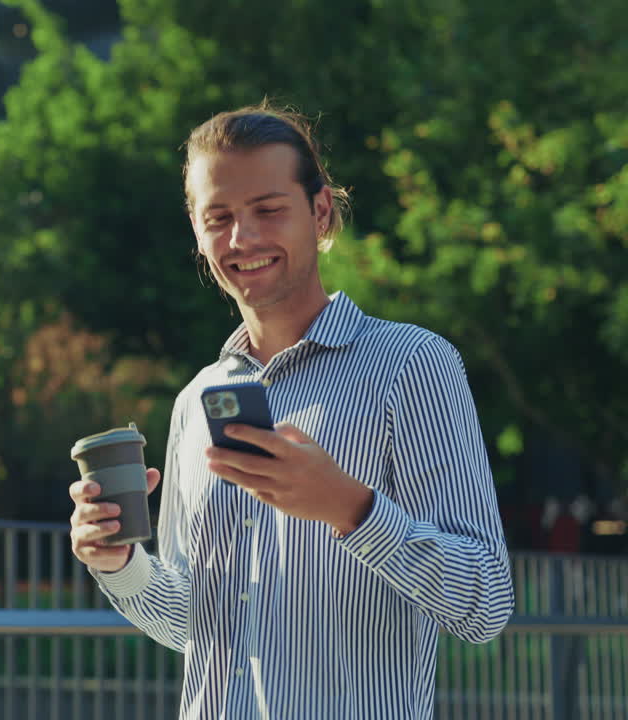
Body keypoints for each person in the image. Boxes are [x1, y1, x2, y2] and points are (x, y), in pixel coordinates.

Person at [68, 104, 514, 719]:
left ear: (321, 212)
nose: (242, 238)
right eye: (218, 217)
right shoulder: (196, 401)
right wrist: (118, 562)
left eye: (269, 210)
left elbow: (485, 604)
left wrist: (349, 508)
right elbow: (191, 624)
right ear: (197, 231)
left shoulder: (412, 363)